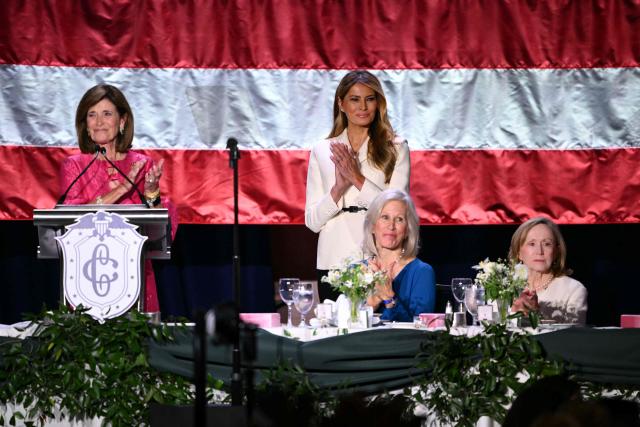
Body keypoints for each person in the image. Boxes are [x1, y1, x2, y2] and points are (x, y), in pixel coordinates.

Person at [59, 84, 174, 313]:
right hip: (85, 275)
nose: (99, 121)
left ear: (122, 122)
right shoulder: (74, 166)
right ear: (85, 125)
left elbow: (156, 227)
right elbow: (71, 216)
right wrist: (123, 188)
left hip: (135, 274)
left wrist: (151, 191)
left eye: (107, 113)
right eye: (92, 115)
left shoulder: (142, 164)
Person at [305, 71, 410, 301]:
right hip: (333, 258)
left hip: (379, 257)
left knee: (378, 332)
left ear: (378, 103)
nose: (363, 106)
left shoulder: (396, 147)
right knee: (337, 333)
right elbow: (312, 222)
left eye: (369, 99)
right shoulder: (322, 149)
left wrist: (357, 178)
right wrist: (337, 190)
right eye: (354, 99)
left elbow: (397, 210)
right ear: (341, 103)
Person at [363, 189, 435, 322]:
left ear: (408, 230)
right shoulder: (357, 270)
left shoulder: (421, 272)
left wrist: (389, 297)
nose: (391, 226)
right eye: (385, 217)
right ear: (373, 226)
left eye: (399, 219)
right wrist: (371, 304)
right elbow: (346, 326)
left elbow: (421, 329)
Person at [508, 217, 588, 324]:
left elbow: (574, 337)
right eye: (532, 244)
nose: (539, 251)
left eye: (547, 244)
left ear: (556, 252)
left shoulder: (574, 290)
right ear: (519, 252)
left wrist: (535, 315)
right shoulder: (502, 286)